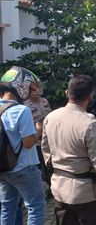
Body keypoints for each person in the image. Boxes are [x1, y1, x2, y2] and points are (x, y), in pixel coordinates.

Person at [42, 75, 96, 224]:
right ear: (91, 96)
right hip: (88, 196)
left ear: (66, 93)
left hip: (60, 189)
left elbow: (46, 152)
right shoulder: (90, 124)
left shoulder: (50, 118)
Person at [0, 66, 45, 225]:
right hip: (24, 168)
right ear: (21, 86)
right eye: (30, 86)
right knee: (36, 207)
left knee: (7, 207)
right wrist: (38, 130)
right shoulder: (21, 110)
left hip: (3, 168)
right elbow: (28, 143)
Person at [23, 78, 52, 196]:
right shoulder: (25, 106)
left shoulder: (44, 101)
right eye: (33, 89)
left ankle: (52, 188)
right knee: (38, 167)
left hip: (48, 139)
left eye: (37, 88)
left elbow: (50, 116)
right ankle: (38, 190)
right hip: (35, 141)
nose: (36, 91)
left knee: (50, 165)